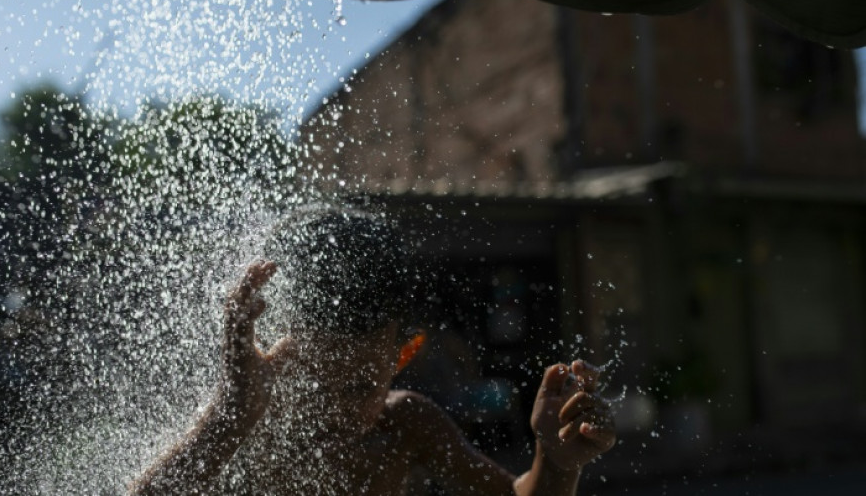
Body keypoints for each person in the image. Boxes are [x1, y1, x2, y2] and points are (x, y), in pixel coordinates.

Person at [129, 207, 615, 495]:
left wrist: (556, 463)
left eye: (361, 385)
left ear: (402, 356)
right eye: (313, 382)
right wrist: (231, 414)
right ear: (270, 353)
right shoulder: (242, 436)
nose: (334, 407)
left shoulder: (404, 426)